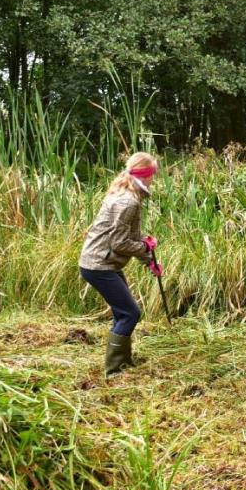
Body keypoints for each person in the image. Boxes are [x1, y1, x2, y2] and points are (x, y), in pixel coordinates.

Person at [79, 151, 162, 375]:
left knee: (122, 313)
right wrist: (145, 248)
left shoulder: (126, 193)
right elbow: (118, 243)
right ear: (145, 175)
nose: (153, 179)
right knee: (130, 313)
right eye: (152, 174)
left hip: (104, 263)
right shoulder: (128, 202)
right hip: (99, 266)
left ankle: (123, 361)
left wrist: (149, 259)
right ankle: (114, 369)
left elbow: (131, 235)